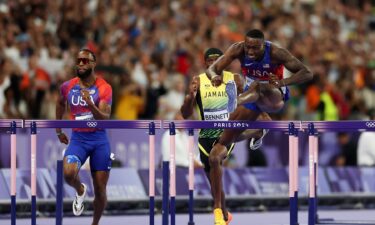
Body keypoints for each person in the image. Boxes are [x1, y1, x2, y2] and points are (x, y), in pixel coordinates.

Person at [206, 30, 313, 224]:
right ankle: (256, 129)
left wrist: (282, 81)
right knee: (215, 154)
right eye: (249, 47)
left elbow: (307, 72)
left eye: (256, 48)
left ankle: (236, 100)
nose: (251, 51)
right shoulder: (238, 49)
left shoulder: (276, 52)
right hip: (251, 99)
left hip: (274, 95)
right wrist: (214, 77)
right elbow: (213, 68)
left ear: (264, 45)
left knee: (260, 85)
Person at [180, 47, 270, 225]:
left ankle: (217, 210)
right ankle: (226, 215)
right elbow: (185, 114)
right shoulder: (198, 80)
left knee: (215, 158)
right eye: (209, 59)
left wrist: (261, 111)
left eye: (218, 59)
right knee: (213, 180)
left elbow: (252, 97)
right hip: (205, 134)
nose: (213, 62)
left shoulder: (234, 79)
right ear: (205, 62)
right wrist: (190, 97)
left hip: (226, 131)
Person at [56, 49, 112, 225]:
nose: (80, 64)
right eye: (78, 60)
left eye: (85, 61)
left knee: (100, 189)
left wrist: (89, 103)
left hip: (99, 141)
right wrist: (59, 129)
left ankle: (94, 223)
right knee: (68, 173)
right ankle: (80, 190)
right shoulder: (68, 86)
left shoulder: (104, 87)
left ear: (93, 64)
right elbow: (59, 103)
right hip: (78, 139)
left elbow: (104, 118)